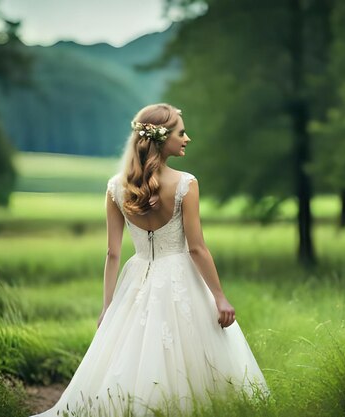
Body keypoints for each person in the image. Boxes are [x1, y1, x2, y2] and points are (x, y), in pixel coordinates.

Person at [32, 103, 267, 416]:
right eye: (181, 133)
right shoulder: (187, 184)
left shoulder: (116, 187)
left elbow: (113, 253)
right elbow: (197, 248)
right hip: (182, 275)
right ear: (161, 138)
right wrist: (220, 297)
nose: (187, 138)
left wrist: (108, 307)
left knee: (134, 355)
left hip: (137, 277)